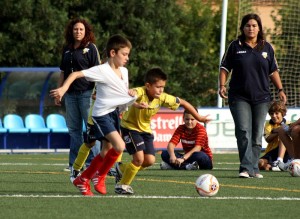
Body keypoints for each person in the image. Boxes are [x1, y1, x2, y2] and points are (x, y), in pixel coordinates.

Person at [50, 34, 136, 196]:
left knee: (105, 152)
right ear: (112, 53)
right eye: (124, 54)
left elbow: (121, 93)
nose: (127, 58)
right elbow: (75, 74)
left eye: (128, 55)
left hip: (114, 114)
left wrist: (129, 99)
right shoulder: (101, 70)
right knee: (120, 146)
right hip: (101, 114)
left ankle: (83, 179)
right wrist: (63, 89)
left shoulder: (124, 71)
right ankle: (100, 177)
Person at [114, 67, 211, 195]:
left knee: (149, 161)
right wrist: (131, 93)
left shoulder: (163, 97)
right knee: (138, 159)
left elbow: (183, 103)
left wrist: (199, 118)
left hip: (145, 130)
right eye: (158, 87)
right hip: (129, 127)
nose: (161, 90)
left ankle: (121, 169)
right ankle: (122, 185)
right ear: (148, 86)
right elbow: (132, 93)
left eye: (163, 87)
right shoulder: (140, 92)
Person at [218, 13, 287, 178]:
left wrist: (280, 89)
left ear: (259, 28)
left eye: (254, 25)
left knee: (256, 135)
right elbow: (224, 68)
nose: (251, 28)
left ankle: (254, 168)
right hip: (239, 97)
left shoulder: (267, 47)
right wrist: (222, 85)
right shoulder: (235, 46)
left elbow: (273, 71)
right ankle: (245, 168)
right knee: (243, 131)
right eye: (248, 25)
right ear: (243, 28)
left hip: (262, 98)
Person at [57, 18, 101, 172]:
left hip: (86, 94)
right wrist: (59, 92)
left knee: (91, 131)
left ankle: (95, 164)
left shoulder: (91, 48)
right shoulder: (67, 48)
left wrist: (98, 91)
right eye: (76, 29)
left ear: (86, 31)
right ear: (71, 31)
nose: (78, 32)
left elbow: (99, 72)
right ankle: (75, 164)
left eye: (81, 29)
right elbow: (63, 72)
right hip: (70, 95)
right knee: (74, 131)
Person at [258, 101, 291, 171]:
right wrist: (278, 131)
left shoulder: (287, 123)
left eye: (276, 113)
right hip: (271, 151)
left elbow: (290, 136)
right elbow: (268, 139)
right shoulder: (268, 124)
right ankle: (275, 167)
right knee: (260, 163)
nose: (274, 116)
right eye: (271, 114)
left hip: (285, 152)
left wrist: (279, 130)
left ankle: (280, 160)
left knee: (283, 135)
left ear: (282, 113)